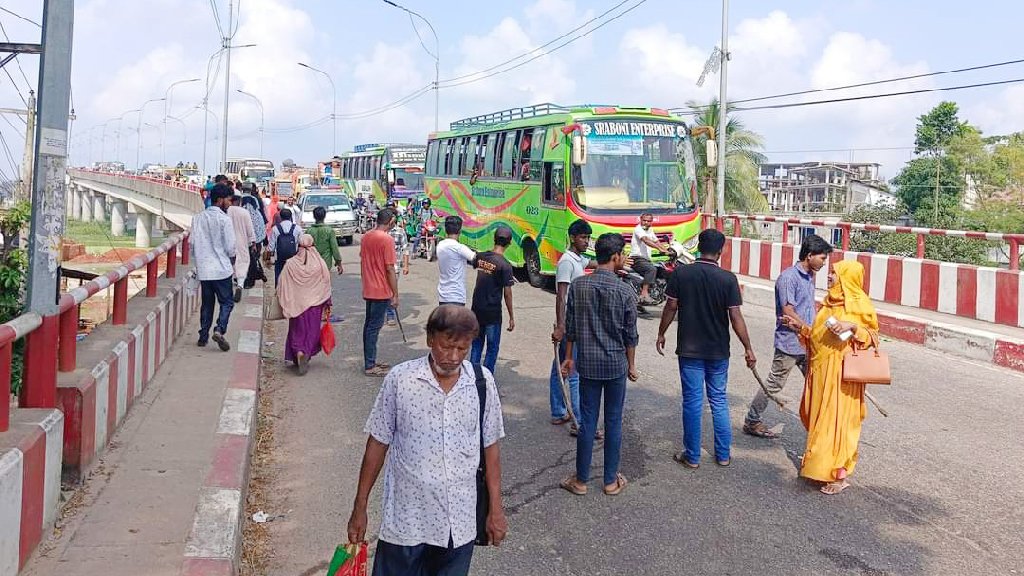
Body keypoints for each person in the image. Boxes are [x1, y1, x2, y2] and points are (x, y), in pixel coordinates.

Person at [347, 305, 507, 576]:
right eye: (447, 347)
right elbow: (377, 444)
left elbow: (490, 449)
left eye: (463, 349)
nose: (453, 357)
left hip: (458, 524)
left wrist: (496, 510)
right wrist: (359, 506)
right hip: (407, 522)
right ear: (430, 339)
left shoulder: (482, 383)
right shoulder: (401, 380)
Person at [656, 229, 756, 468]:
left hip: (690, 350)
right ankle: (722, 455)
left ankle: (692, 456)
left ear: (699, 247)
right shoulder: (727, 279)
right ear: (721, 251)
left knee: (692, 401)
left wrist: (662, 332)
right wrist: (748, 347)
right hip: (718, 350)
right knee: (718, 400)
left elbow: (671, 306)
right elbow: (736, 316)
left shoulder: (682, 273)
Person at [779, 260, 879, 496]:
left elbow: (873, 337)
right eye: (831, 271)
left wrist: (853, 327)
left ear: (847, 278)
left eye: (835, 273)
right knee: (820, 422)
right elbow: (817, 336)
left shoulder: (859, 305)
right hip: (820, 374)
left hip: (842, 377)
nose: (830, 276)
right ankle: (819, 464)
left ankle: (839, 474)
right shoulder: (827, 305)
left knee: (839, 425)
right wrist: (799, 327)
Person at [559, 233, 639, 497]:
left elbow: (570, 327)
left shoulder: (580, 285)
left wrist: (569, 357)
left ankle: (580, 480)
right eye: (623, 255)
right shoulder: (626, 290)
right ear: (615, 257)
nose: (624, 259)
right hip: (616, 365)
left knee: (588, 421)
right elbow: (631, 334)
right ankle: (609, 481)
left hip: (588, 364)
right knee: (613, 421)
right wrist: (631, 365)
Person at [743, 234, 832, 439]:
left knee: (817, 381)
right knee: (774, 384)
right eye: (822, 258)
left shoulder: (810, 276)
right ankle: (752, 420)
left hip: (808, 343)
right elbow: (788, 311)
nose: (824, 262)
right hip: (790, 342)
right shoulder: (788, 278)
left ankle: (821, 423)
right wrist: (810, 329)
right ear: (809, 255)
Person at [550, 219, 595, 437]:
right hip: (569, 324)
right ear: (572, 238)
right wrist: (561, 325)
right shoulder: (567, 262)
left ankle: (559, 410)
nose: (586, 241)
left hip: (574, 322)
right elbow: (561, 296)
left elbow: (589, 264)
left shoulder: (578, 259)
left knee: (559, 368)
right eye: (583, 237)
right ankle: (579, 421)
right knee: (574, 371)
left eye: (588, 238)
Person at [189, 184, 237, 352]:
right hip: (222, 269)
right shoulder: (224, 219)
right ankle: (219, 329)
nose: (229, 204)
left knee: (207, 304)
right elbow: (231, 247)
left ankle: (203, 336)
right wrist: (233, 259)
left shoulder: (197, 218)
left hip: (204, 270)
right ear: (220, 199)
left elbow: (191, 243)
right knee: (227, 302)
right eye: (228, 200)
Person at [277, 234, 333, 376]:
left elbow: (281, 285)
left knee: (297, 330)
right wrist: (328, 302)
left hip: (296, 305)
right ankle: (305, 352)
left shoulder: (290, 264)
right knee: (312, 332)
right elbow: (326, 283)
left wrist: (286, 301)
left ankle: (298, 352)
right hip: (315, 305)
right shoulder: (319, 263)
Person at [470, 226, 516, 375]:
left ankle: (472, 377)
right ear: (509, 243)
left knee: (476, 345)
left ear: (494, 238)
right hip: (492, 314)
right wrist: (511, 317)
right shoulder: (505, 265)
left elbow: (474, 262)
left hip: (476, 310)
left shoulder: (481, 256)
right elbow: (507, 294)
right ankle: (486, 380)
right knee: (492, 348)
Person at [360, 208, 400, 377]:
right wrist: (395, 293)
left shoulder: (366, 236)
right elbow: (390, 268)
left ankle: (371, 360)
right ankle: (370, 365)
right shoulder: (387, 240)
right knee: (373, 328)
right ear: (390, 221)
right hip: (380, 289)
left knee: (369, 326)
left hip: (369, 287)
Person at [436, 216, 477, 306]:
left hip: (443, 296)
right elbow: (475, 258)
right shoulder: (459, 248)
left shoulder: (440, 245)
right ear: (460, 231)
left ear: (446, 230)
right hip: (456, 297)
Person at [630, 213, 669, 307]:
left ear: (651, 222)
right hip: (636, 258)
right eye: (644, 220)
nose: (646, 222)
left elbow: (656, 241)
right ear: (640, 219)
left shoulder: (650, 230)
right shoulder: (638, 229)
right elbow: (646, 240)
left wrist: (666, 250)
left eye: (648, 221)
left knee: (661, 269)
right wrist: (659, 249)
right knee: (651, 269)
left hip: (645, 259)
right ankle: (644, 294)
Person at [226, 191, 257, 302]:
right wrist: (253, 242)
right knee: (243, 262)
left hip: (228, 242)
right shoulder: (244, 212)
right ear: (239, 200)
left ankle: (229, 287)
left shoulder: (226, 211)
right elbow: (250, 229)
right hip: (242, 242)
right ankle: (240, 285)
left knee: (230, 264)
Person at [385, 202, 410, 326]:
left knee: (390, 290)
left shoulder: (400, 232)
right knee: (382, 290)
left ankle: (390, 314)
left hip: (394, 267)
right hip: (381, 267)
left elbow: (405, 249)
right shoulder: (381, 231)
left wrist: (406, 265)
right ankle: (383, 312)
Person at [268, 208, 303, 282]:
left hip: (279, 257)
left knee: (279, 275)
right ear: (290, 217)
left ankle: (278, 291)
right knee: (292, 276)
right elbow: (301, 243)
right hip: (293, 257)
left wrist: (270, 255)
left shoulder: (275, 228)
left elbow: (271, 246)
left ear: (281, 217)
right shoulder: (297, 228)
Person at [307, 206, 344, 275]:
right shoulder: (329, 231)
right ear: (324, 216)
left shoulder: (309, 231)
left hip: (312, 263)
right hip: (325, 263)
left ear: (314, 216)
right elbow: (334, 248)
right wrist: (339, 263)